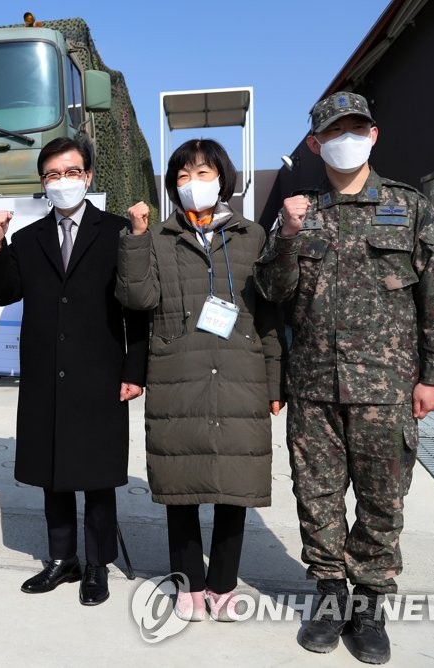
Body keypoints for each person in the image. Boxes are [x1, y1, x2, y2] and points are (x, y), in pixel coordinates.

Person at [254, 91, 434, 664]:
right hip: (314, 385)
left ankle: (369, 603)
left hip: (387, 388)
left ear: (373, 135)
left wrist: (433, 374)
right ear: (316, 143)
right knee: (316, 496)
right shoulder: (300, 210)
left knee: (381, 499)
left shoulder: (409, 207)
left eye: (357, 127)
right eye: (333, 130)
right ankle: (328, 595)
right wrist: (288, 235)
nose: (346, 137)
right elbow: (269, 292)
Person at [116, 139, 284, 622]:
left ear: (223, 179)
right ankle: (188, 584)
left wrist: (275, 382)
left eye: (204, 173)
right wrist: (135, 236)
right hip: (177, 373)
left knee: (236, 483)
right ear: (172, 186)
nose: (194, 185)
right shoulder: (159, 236)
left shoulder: (252, 236)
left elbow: (268, 315)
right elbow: (137, 297)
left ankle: (224, 585)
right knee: (181, 483)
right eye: (183, 177)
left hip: (241, 372)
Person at [0, 137, 148, 606]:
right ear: (42, 184)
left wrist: (134, 369)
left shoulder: (117, 231)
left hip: (100, 371)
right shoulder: (27, 238)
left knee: (96, 474)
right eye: (52, 175)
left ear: (88, 176)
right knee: (53, 471)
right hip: (45, 372)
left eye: (71, 172)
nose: (62, 182)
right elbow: (3, 292)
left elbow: (135, 311)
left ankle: (98, 564)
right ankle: (63, 559)